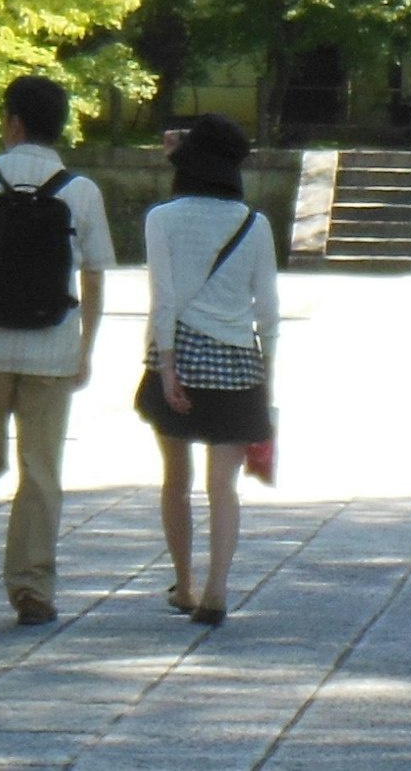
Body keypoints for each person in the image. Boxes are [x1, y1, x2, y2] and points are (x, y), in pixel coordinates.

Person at [0, 74, 112, 625]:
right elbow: (95, 275)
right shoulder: (79, 190)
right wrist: (85, 346)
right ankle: (32, 589)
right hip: (51, 346)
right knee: (41, 468)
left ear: (12, 120)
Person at [138, 113, 279, 627]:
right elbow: (268, 310)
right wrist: (269, 380)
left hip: (177, 357)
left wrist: (169, 369)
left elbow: (164, 300)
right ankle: (217, 589)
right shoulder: (253, 223)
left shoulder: (162, 218)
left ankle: (185, 584)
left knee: (175, 479)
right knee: (225, 486)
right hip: (239, 362)